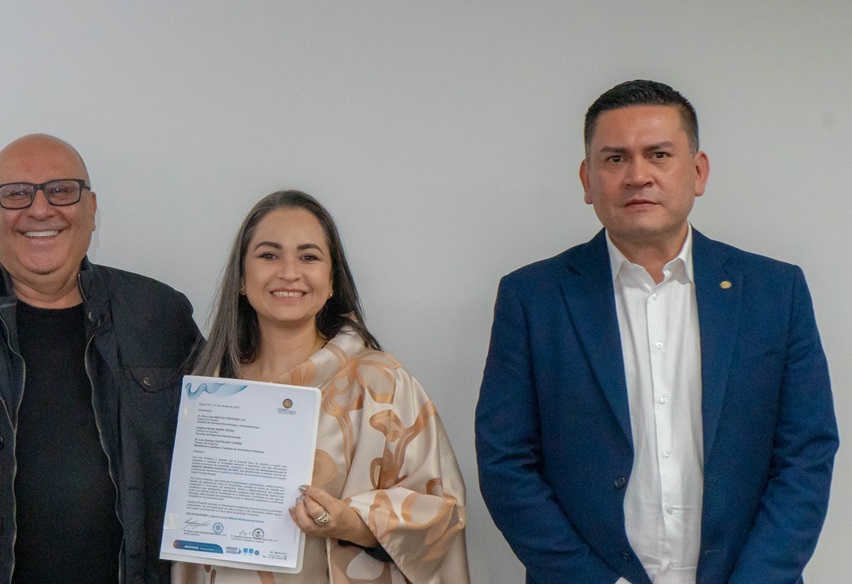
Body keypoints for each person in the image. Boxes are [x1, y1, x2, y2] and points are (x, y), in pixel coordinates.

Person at [476, 80, 837, 583]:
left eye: (659, 155)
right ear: (587, 180)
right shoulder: (533, 298)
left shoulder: (775, 291)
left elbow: (806, 454)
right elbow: (506, 461)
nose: (637, 176)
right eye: (615, 159)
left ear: (698, 171)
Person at [0, 134, 201, 584]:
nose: (40, 209)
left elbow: (222, 443)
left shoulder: (159, 315)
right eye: (16, 193)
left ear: (91, 209)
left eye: (61, 190)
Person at [172, 190, 468, 583]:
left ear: (331, 282)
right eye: (268, 255)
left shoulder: (381, 384)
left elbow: (441, 513)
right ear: (241, 279)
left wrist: (352, 522)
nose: (289, 272)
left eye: (308, 257)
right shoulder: (210, 390)